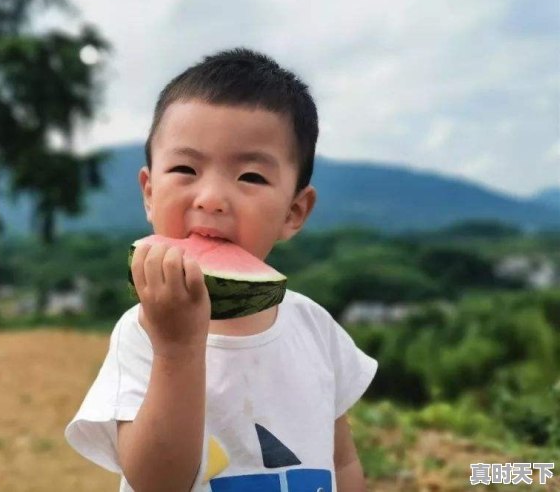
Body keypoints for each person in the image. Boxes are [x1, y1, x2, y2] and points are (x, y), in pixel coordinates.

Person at [65, 48, 378, 492]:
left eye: (250, 176)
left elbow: (342, 462)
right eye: (185, 168)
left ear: (294, 211)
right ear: (149, 193)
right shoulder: (141, 334)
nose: (211, 197)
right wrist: (175, 349)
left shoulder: (315, 328)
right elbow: (157, 482)